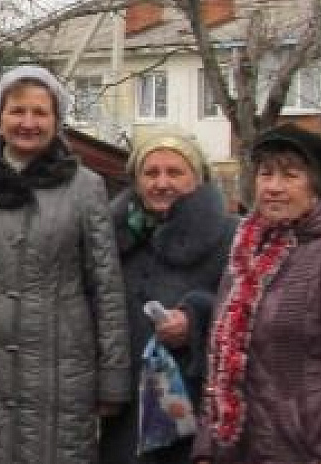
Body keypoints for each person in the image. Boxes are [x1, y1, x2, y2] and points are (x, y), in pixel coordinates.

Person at [0, 64, 130, 464]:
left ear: (56, 120)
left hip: (60, 370)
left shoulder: (86, 189)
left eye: (39, 112)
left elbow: (105, 285)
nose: (27, 122)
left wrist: (112, 377)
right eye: (17, 111)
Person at [193, 125, 321, 464]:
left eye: (290, 175)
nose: (273, 187)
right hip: (240, 448)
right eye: (265, 174)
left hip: (310, 449)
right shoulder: (245, 255)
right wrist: (208, 444)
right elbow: (221, 356)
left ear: (318, 186)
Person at [98, 131, 236, 464]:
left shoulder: (230, 237)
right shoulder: (111, 238)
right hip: (124, 409)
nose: (162, 183)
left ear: (198, 178)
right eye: (151, 173)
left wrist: (196, 320)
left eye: (174, 172)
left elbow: (249, 314)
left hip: (197, 406)